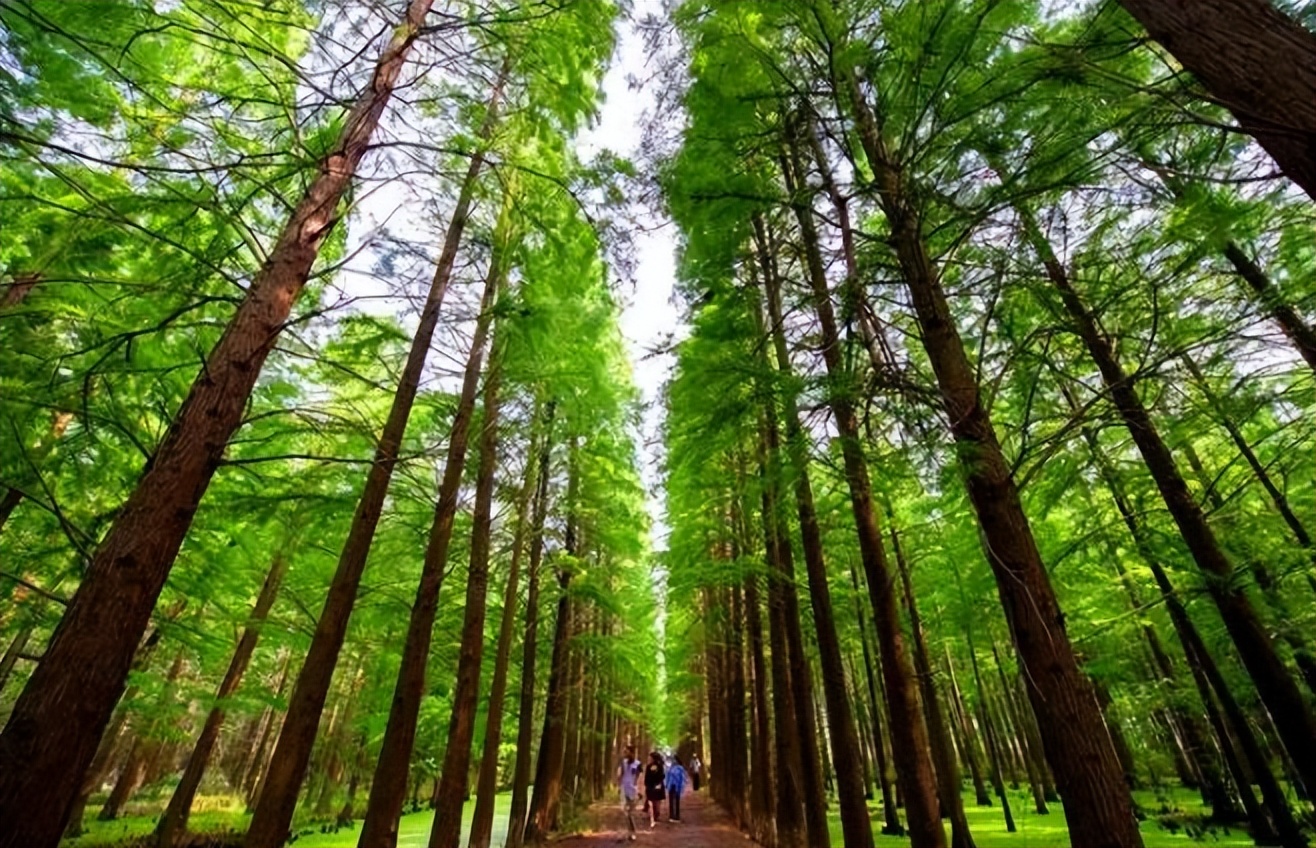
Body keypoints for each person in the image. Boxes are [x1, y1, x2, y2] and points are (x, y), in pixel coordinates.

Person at [617, 745, 643, 841]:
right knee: (624, 811)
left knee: (630, 813)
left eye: (627, 752)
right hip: (624, 789)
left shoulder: (638, 764)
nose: (625, 754)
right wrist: (619, 786)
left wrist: (641, 791)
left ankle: (632, 833)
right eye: (625, 752)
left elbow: (640, 778)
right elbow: (619, 775)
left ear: (632, 753)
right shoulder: (623, 763)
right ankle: (626, 833)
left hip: (633, 791)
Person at [644, 750, 666, 828]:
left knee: (655, 800)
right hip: (654, 785)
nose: (649, 759)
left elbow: (662, 775)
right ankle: (654, 814)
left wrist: (654, 783)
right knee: (655, 800)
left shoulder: (656, 766)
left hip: (655, 785)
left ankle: (655, 814)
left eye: (650, 758)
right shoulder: (657, 766)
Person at [665, 754, 688, 822]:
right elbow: (667, 777)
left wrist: (682, 786)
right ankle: (671, 815)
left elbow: (683, 778)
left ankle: (677, 816)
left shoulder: (680, 768)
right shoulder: (670, 768)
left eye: (674, 760)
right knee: (671, 801)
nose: (673, 761)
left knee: (677, 801)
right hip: (671, 786)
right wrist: (666, 784)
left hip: (677, 786)